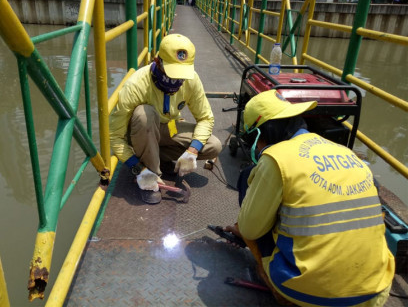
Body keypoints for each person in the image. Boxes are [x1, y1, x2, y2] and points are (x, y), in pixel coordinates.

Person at [225, 90, 395, 306]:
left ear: (262, 133)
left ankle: (271, 280)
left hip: (311, 295)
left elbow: (251, 230)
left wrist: (244, 227)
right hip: (376, 291)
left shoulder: (276, 158)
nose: (255, 146)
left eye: (254, 139)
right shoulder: (347, 153)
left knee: (249, 181)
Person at [109, 34, 222, 204]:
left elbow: (206, 118)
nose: (176, 80)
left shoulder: (191, 80)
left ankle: (158, 158)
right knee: (143, 114)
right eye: (172, 73)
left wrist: (192, 151)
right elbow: (115, 136)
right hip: (142, 133)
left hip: (170, 128)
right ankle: (150, 174)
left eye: (181, 75)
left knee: (213, 146)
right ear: (157, 62)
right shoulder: (136, 85)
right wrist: (137, 168)